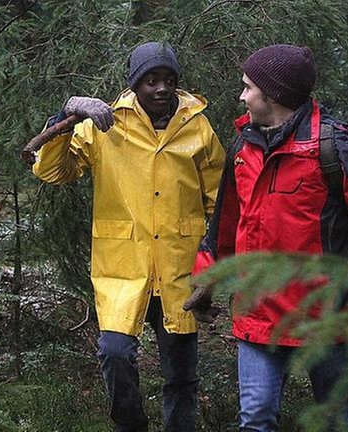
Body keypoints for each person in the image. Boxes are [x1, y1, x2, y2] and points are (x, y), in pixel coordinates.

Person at [183, 44, 348, 431]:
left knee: (342, 420)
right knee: (255, 419)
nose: (241, 96)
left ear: (271, 95)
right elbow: (225, 224)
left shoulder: (334, 147)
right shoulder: (243, 147)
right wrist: (207, 280)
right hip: (258, 313)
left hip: (326, 315)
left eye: (247, 87)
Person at [32, 41, 225, 432]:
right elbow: (51, 171)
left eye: (168, 80)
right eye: (151, 80)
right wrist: (67, 112)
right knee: (115, 355)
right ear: (135, 85)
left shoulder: (197, 126)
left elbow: (219, 200)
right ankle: (130, 425)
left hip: (179, 268)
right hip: (123, 269)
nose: (161, 88)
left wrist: (213, 257)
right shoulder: (105, 125)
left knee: (182, 376)